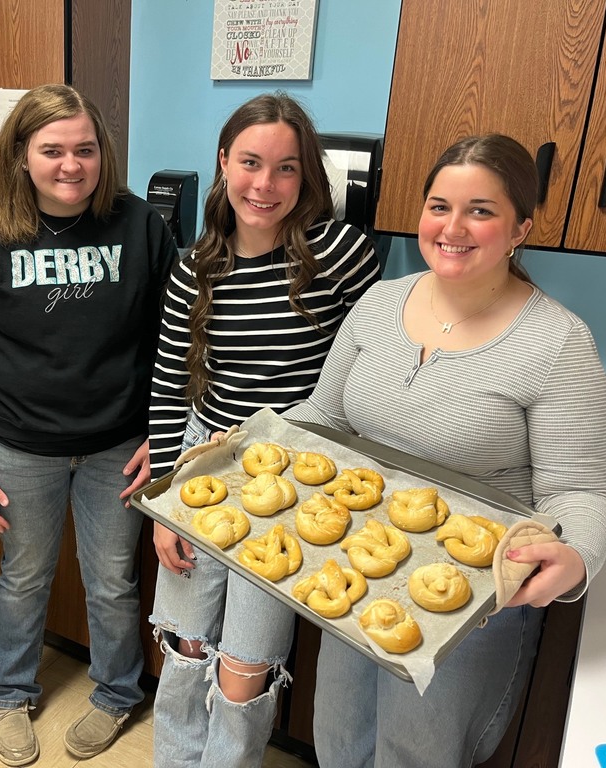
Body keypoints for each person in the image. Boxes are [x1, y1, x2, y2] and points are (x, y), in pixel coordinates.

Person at [233, 133, 606, 767]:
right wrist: (248, 438)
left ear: (520, 226)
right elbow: (322, 417)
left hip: (469, 597)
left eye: (481, 211)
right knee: (340, 740)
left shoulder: (558, 343)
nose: (453, 227)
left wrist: (576, 558)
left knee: (419, 754)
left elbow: (578, 491)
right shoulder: (380, 304)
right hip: (355, 563)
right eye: (439, 206)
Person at [148, 92, 381, 767]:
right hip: (204, 467)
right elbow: (169, 385)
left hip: (293, 483)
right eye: (250, 162)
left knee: (245, 662)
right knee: (187, 644)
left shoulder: (340, 255)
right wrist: (165, 504)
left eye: (286, 168)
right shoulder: (196, 267)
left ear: (308, 175)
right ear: (224, 163)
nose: (265, 185)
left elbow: (369, 367)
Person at [0, 83, 179, 766]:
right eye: (52, 150)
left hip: (118, 445)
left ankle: (117, 692)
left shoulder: (141, 228)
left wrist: (161, 440)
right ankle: (8, 692)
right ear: (21, 155)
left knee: (112, 580)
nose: (71, 165)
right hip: (20, 446)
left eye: (84, 149)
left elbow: (173, 341)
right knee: (24, 576)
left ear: (102, 153)